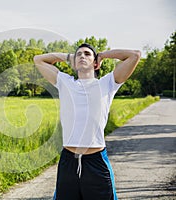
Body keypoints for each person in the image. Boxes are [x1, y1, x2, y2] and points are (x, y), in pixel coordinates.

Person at [33, 43, 141, 200]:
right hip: (69, 161)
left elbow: (135, 55)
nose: (82, 56)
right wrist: (68, 57)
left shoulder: (107, 83)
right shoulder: (65, 82)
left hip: (96, 161)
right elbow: (38, 59)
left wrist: (103, 55)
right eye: (79, 54)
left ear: (96, 63)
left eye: (87, 54)